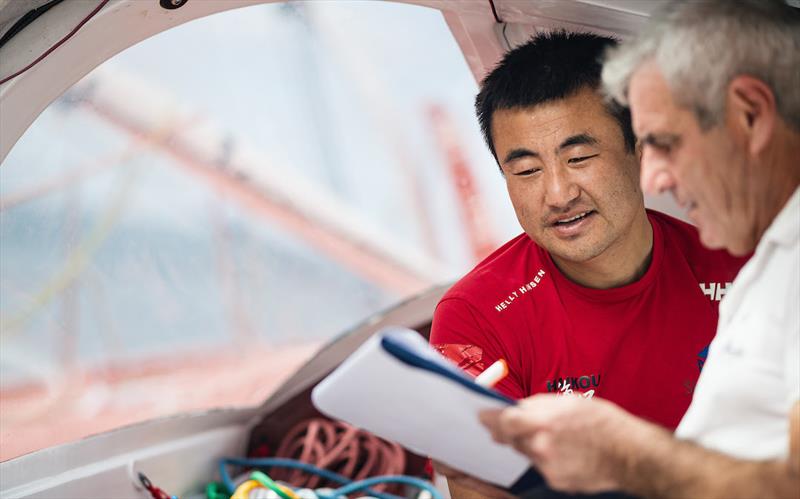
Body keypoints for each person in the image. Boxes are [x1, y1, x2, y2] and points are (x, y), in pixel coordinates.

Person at [480, 1, 800, 497]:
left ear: (751, 115)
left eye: (666, 143)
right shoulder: (775, 258)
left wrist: (623, 454)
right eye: (525, 171)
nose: (655, 179)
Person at [428, 31, 747, 497]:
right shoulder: (475, 317)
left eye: (579, 157)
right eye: (526, 171)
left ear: (641, 146)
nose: (557, 194)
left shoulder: (740, 266)